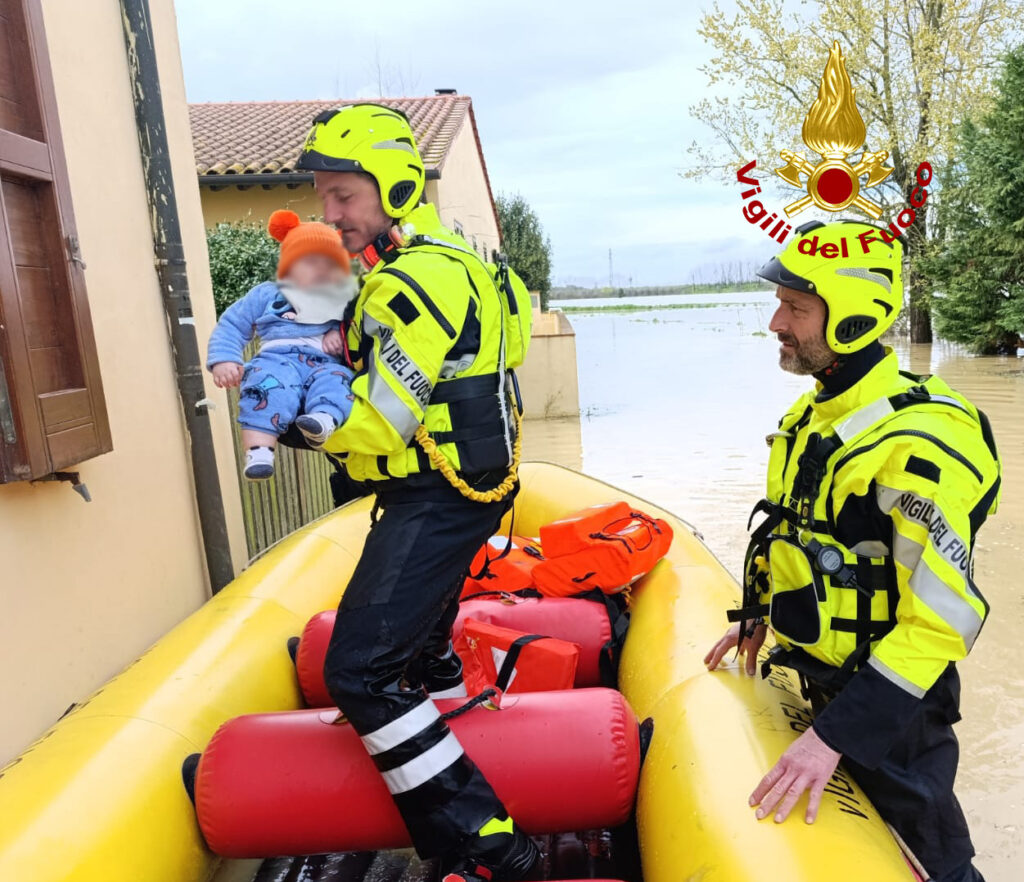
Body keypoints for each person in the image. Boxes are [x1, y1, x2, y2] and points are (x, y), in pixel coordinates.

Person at [704, 219, 1000, 882]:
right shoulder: (812, 418)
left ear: (854, 317)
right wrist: (757, 611)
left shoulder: (916, 447)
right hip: (815, 676)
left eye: (797, 308)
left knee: (937, 862)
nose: (776, 322)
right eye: (780, 302)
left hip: (894, 716)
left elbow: (944, 619)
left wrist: (836, 738)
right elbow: (793, 532)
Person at [293, 103, 537, 882]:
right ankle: (441, 685)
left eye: (343, 197)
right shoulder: (463, 260)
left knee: (357, 674)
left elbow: (384, 421)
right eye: (324, 199)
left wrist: (295, 419)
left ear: (393, 187)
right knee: (415, 657)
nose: (330, 215)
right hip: (474, 488)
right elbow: (510, 344)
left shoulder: (411, 280)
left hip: (434, 499)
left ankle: (494, 844)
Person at [207, 210, 357, 479]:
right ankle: (259, 451)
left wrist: (340, 332)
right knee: (265, 388)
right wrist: (225, 359)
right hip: (277, 357)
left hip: (323, 362)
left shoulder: (343, 297)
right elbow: (233, 324)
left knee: (339, 381)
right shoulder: (267, 293)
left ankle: (324, 419)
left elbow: (361, 324)